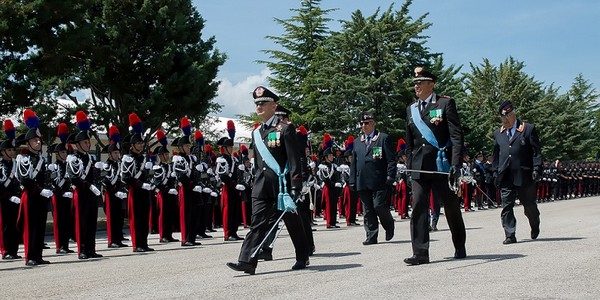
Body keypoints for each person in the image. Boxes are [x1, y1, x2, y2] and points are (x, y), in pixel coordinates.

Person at [227, 86, 309, 275]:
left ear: (274, 105)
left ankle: (302, 256)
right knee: (258, 223)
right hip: (262, 185)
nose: (259, 107)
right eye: (257, 104)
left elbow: (294, 159)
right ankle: (247, 261)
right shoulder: (256, 133)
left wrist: (296, 185)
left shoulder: (285, 129)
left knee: (292, 222)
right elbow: (258, 162)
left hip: (282, 186)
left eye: (263, 103)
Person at [404, 67, 467, 265]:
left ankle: (459, 244)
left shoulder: (444, 103)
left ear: (431, 84)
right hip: (419, 166)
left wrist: (456, 164)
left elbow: (456, 136)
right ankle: (420, 252)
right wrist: (409, 166)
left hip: (442, 164)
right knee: (418, 206)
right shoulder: (411, 109)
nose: (417, 86)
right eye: (415, 83)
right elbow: (409, 142)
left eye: (420, 82)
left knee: (450, 206)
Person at [492, 101, 542, 244]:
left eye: (507, 116)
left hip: (524, 175)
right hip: (505, 175)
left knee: (529, 205)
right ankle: (510, 234)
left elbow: (536, 152)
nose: (505, 119)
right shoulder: (498, 133)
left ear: (513, 114)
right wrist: (495, 172)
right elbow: (496, 155)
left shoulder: (527, 129)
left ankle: (535, 223)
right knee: (507, 206)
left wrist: (537, 168)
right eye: (503, 117)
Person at [349, 111, 396, 245]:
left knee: (379, 206)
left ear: (373, 123)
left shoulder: (382, 138)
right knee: (368, 209)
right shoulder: (358, 142)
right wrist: (352, 180)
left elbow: (391, 160)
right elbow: (354, 163)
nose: (364, 125)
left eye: (367, 123)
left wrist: (390, 176)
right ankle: (371, 235)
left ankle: (389, 225)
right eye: (362, 123)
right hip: (362, 181)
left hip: (379, 181)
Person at [15, 109, 53, 265]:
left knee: (40, 225)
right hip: (30, 196)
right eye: (35, 140)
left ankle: (38, 255)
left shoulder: (41, 159)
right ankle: (29, 256)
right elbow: (25, 180)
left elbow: (44, 178)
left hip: (41, 197)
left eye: (39, 140)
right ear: (28, 142)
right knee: (30, 227)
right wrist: (40, 190)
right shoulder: (23, 158)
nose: (38, 142)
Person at [67, 111, 103, 259]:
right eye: (85, 142)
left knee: (91, 221)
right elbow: (74, 178)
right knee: (81, 222)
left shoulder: (91, 158)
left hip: (91, 194)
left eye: (88, 142)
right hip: (81, 193)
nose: (88, 144)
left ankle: (90, 249)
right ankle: (82, 250)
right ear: (78, 144)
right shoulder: (73, 158)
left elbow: (95, 176)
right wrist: (89, 186)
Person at [0, 119, 22, 260]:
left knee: (15, 225)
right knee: (5, 226)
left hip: (15, 199)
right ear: (2, 151)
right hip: (3, 200)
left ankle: (13, 250)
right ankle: (5, 251)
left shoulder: (16, 164)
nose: (12, 152)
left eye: (13, 149)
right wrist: (9, 197)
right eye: (9, 149)